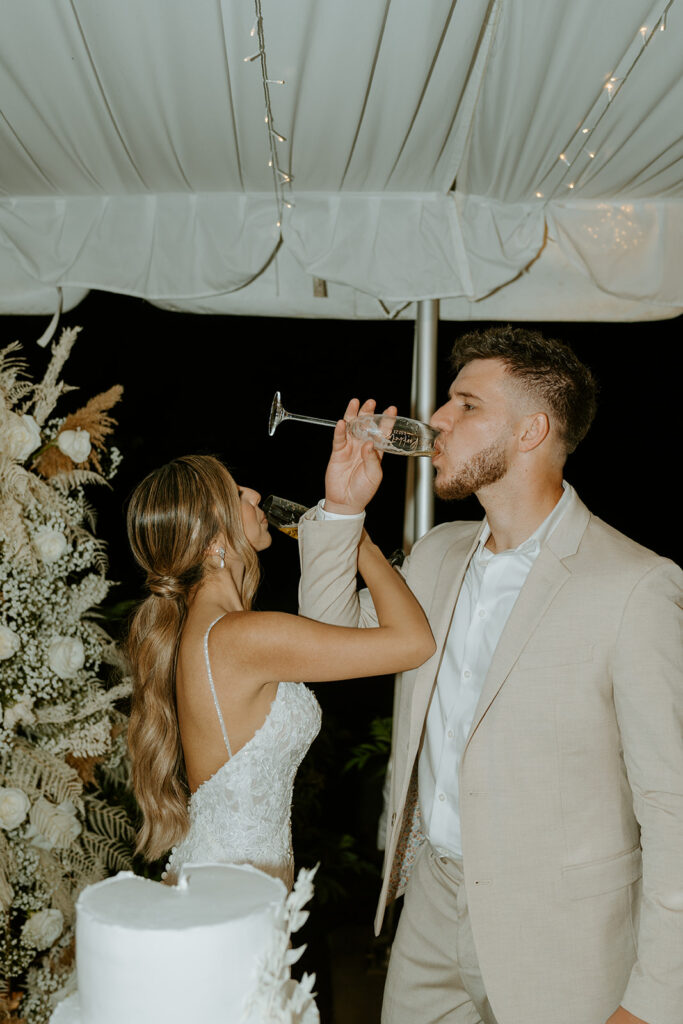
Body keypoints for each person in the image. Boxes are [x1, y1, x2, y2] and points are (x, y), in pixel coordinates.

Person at [298, 327, 683, 1024]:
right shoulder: (437, 553)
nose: (436, 420)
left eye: (464, 405)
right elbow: (331, 639)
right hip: (430, 904)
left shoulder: (635, 585)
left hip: (563, 936)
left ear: (531, 430)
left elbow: (671, 804)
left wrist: (654, 996)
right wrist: (345, 507)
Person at [125, 454, 434, 890]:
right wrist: (360, 540)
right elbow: (414, 643)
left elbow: (341, 623)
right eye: (235, 493)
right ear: (211, 537)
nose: (254, 494)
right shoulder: (241, 637)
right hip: (233, 894)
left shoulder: (211, 632)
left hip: (234, 884)